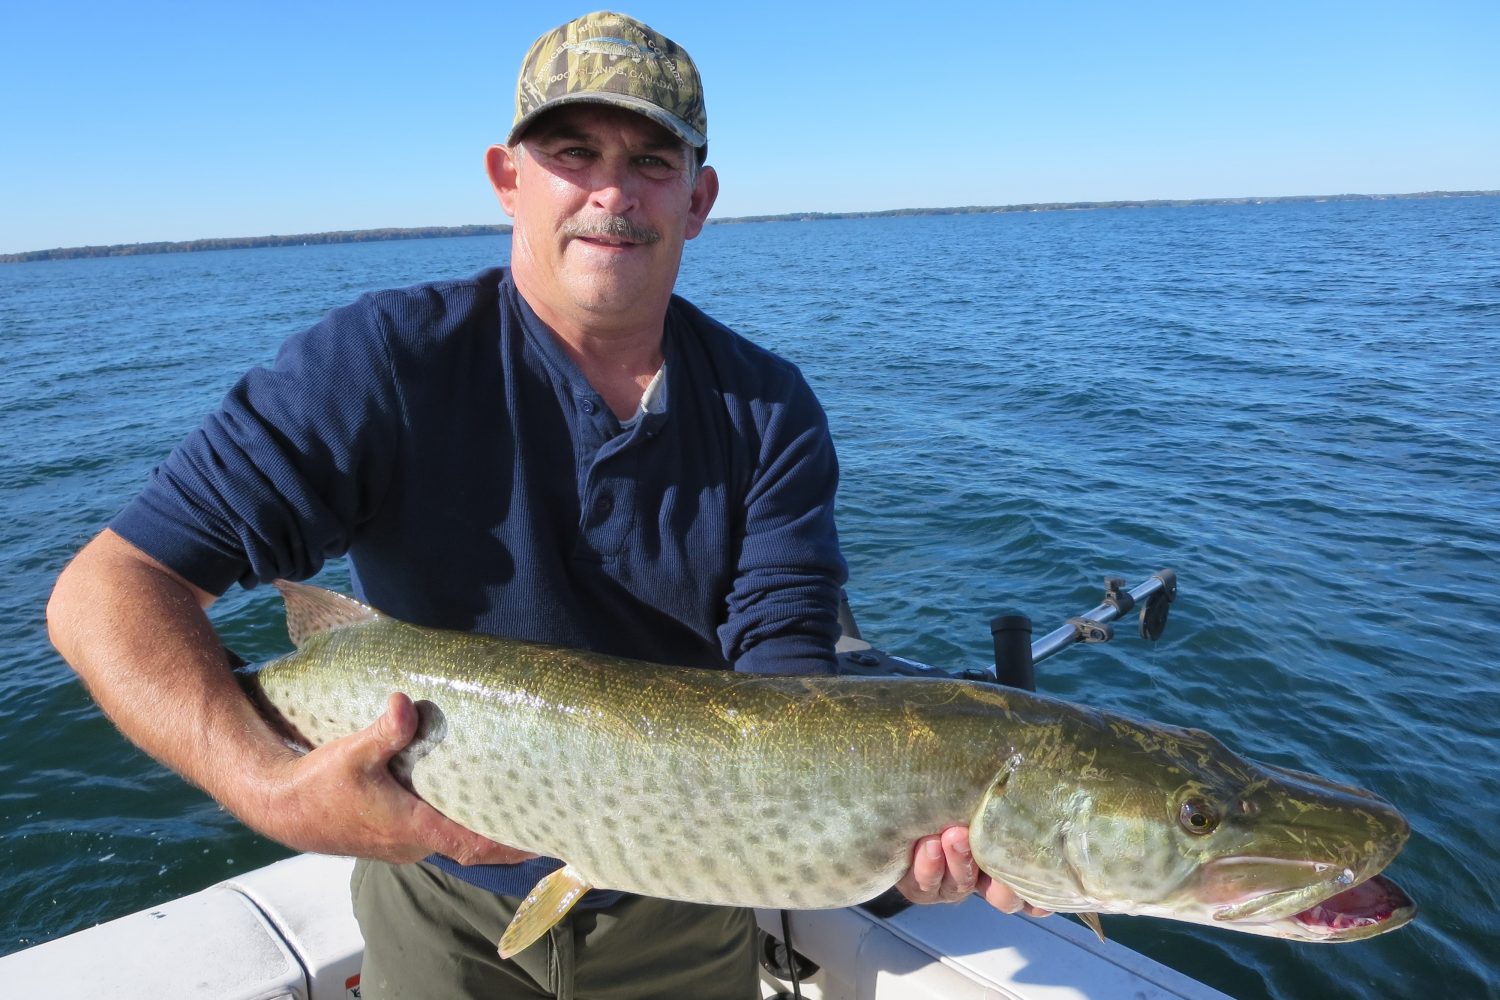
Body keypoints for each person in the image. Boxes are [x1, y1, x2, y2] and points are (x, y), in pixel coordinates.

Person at [46, 10, 1046, 999]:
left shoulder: (769, 409)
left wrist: (888, 835)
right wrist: (275, 792)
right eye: (574, 152)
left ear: (698, 200)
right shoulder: (382, 364)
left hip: (686, 915)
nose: (614, 192)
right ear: (508, 178)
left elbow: (786, 688)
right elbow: (107, 591)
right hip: (434, 902)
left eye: (653, 161)